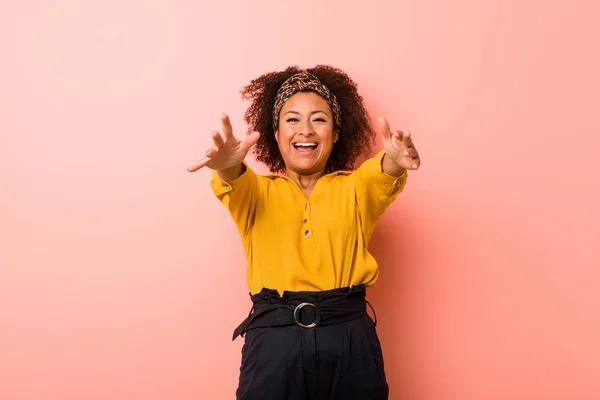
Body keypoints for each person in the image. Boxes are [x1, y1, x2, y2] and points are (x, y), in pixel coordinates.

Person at [187, 65, 421, 400]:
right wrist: (225, 162)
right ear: (276, 132)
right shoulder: (256, 193)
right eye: (292, 119)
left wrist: (396, 159)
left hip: (349, 338)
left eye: (319, 119)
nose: (305, 130)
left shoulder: (355, 188)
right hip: (273, 342)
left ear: (336, 132)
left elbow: (381, 172)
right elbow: (233, 177)